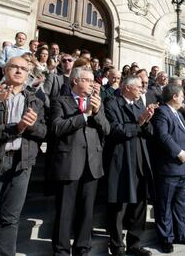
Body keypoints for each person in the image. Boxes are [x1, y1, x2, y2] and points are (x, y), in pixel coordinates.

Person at [0, 57, 46, 256]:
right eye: (14, 67)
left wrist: (31, 126)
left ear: (28, 74)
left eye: (24, 68)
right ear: (5, 70)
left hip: (21, 163)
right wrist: (17, 128)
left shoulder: (36, 100)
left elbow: (43, 132)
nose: (19, 71)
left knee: (11, 218)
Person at [49, 66, 110, 255]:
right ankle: (61, 251)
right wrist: (84, 115)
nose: (93, 84)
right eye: (88, 80)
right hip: (69, 163)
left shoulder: (97, 103)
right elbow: (57, 128)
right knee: (65, 211)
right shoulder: (60, 101)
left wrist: (97, 112)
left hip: (92, 164)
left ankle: (82, 249)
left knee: (87, 212)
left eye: (93, 81)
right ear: (75, 81)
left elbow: (107, 130)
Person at [104, 75, 155, 256]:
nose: (142, 89)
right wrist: (139, 123)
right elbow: (115, 130)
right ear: (127, 87)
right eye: (139, 86)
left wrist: (147, 120)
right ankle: (117, 246)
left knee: (140, 203)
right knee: (120, 205)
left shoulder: (139, 104)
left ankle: (135, 243)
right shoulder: (112, 103)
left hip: (140, 159)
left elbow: (149, 132)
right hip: (122, 159)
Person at [152, 84, 185, 253]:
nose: (183, 99)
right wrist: (179, 153)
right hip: (169, 168)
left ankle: (182, 234)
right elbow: (163, 136)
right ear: (174, 97)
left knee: (180, 205)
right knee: (164, 205)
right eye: (181, 96)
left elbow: (184, 135)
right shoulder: (162, 112)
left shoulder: (178, 114)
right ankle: (166, 238)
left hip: (183, 168)